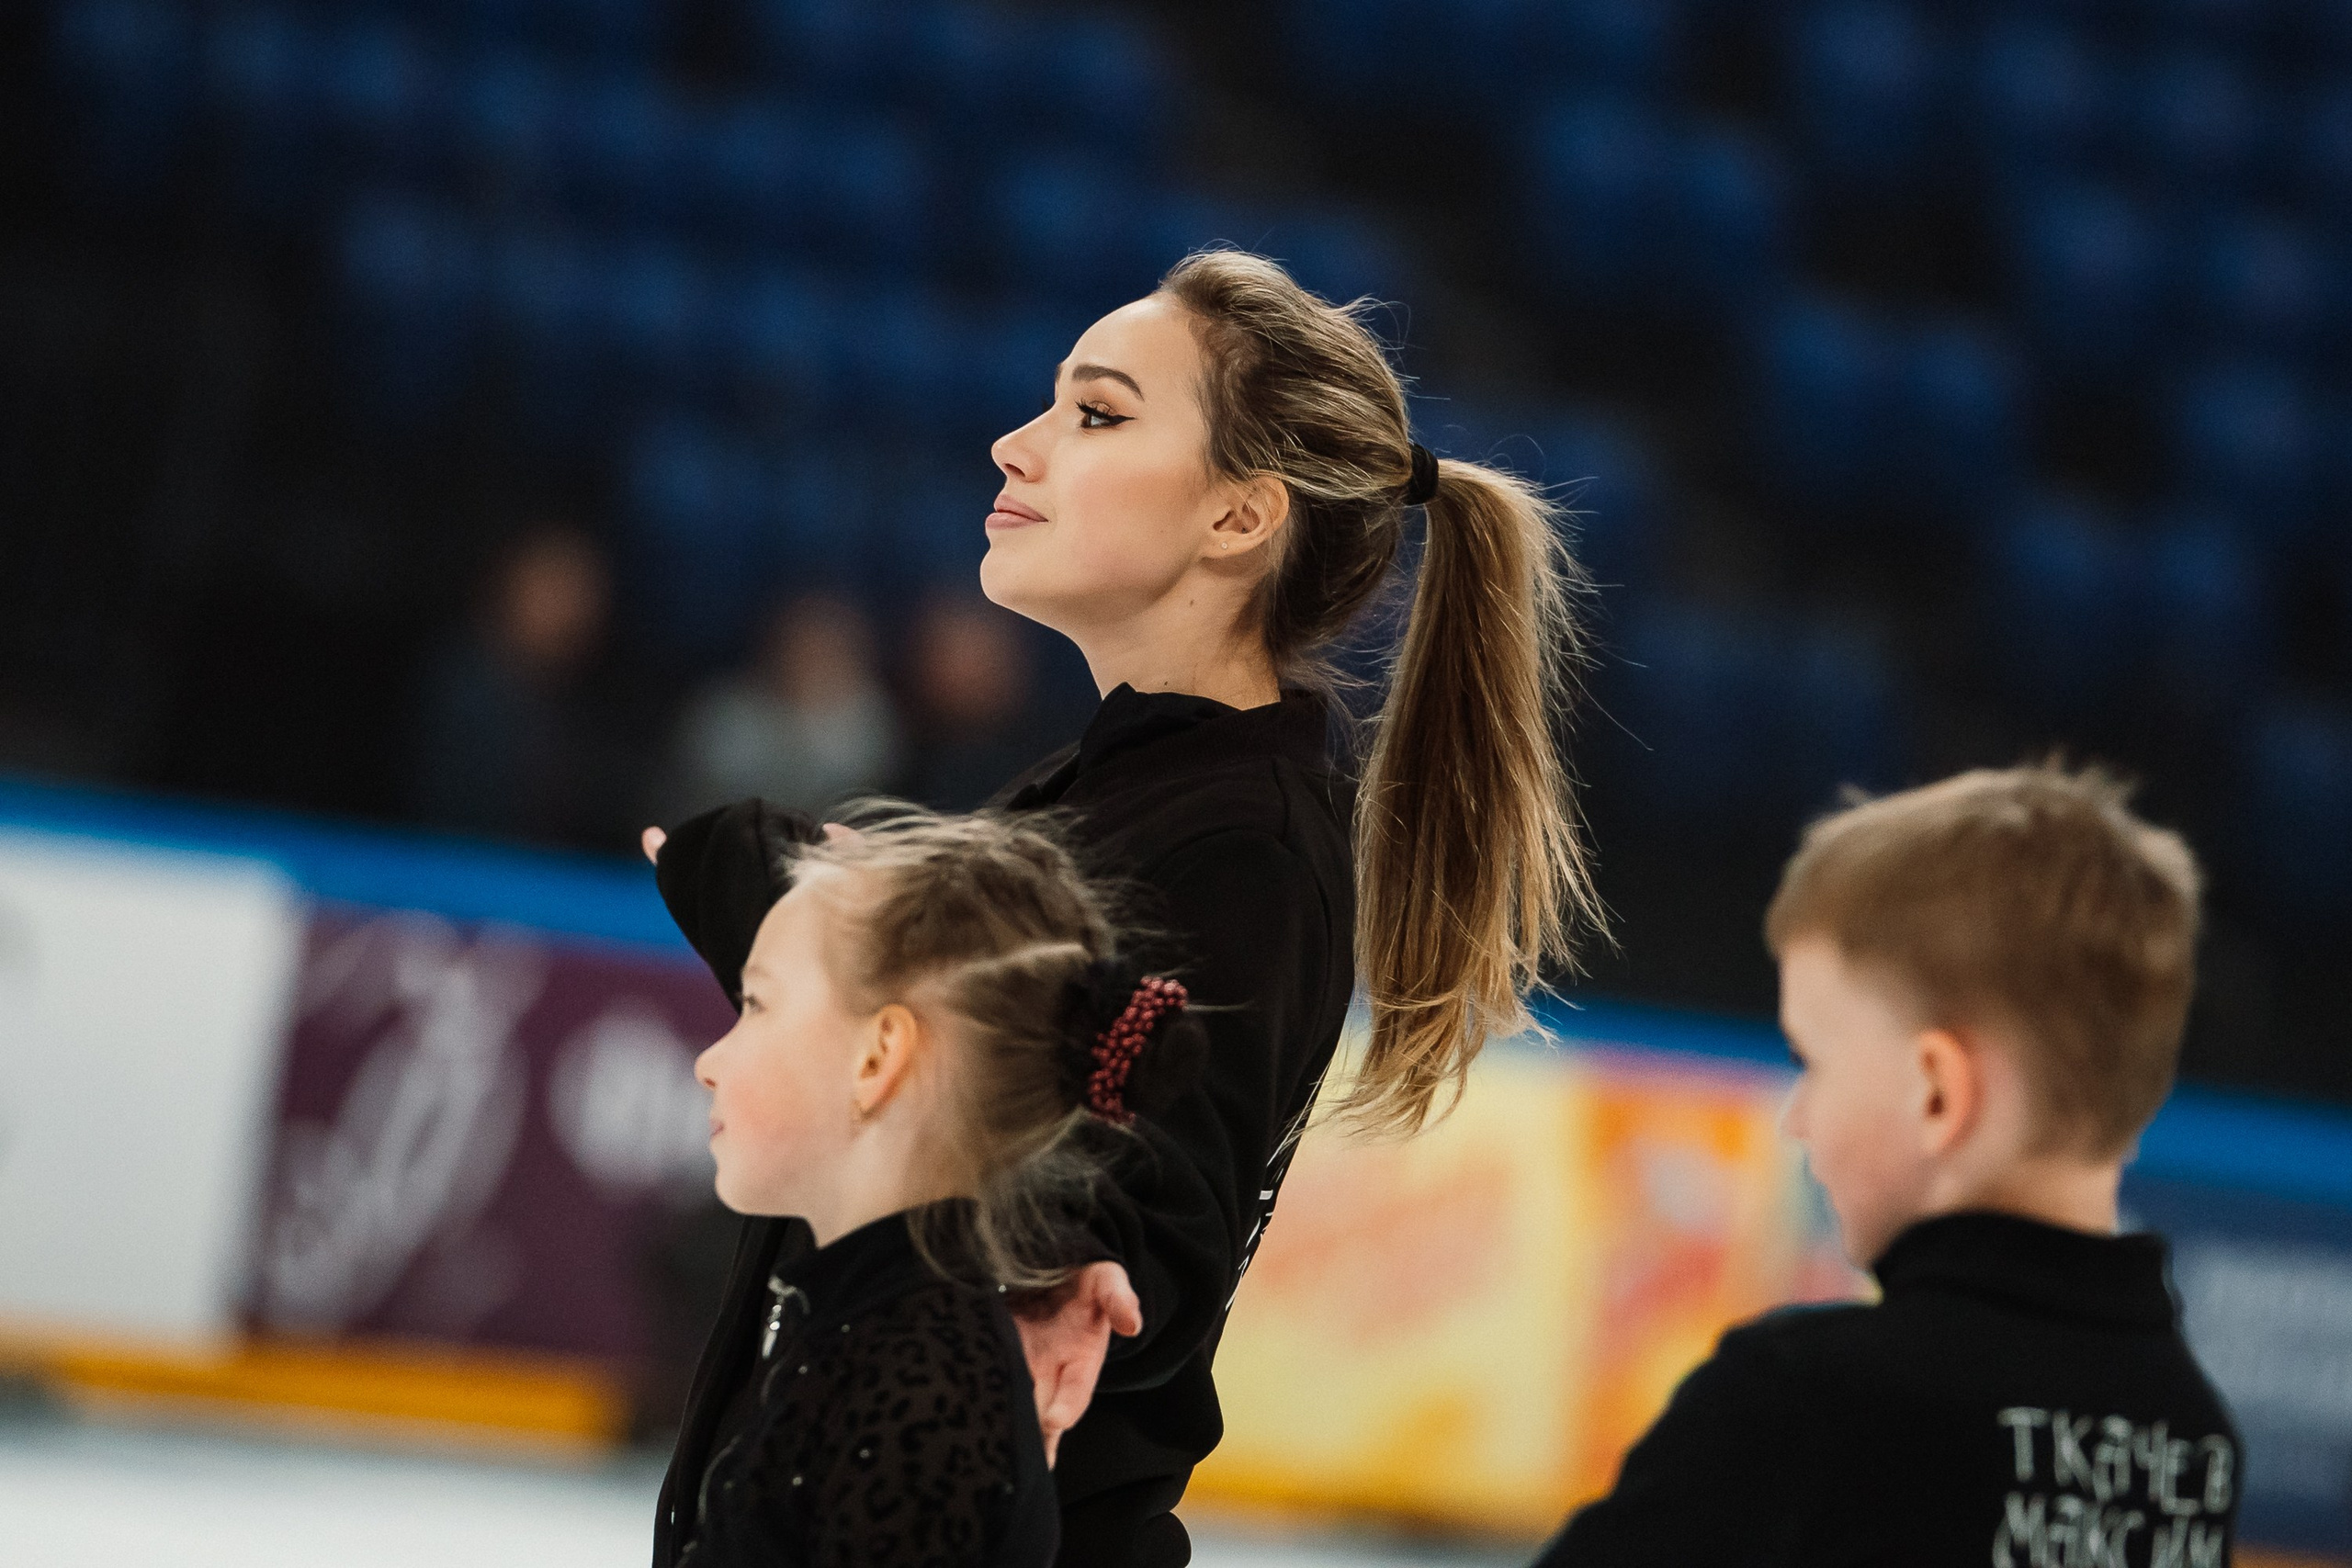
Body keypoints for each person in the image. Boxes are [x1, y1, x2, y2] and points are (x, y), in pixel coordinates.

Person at [652, 247, 1606, 1568]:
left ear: (1237, 518)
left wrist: (1065, 1270)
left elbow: (1131, 1219)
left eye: (1095, 413)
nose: (1015, 443)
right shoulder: (1109, 786)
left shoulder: (1238, 848)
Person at [1535, 763, 2242, 1568]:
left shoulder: (1796, 1396)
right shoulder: (2189, 1442)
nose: (1798, 1119)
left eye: (1814, 1061)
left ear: (1937, 1092)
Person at [648, 799, 1208, 1568]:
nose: (711, 1059)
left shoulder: (920, 1402)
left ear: (878, 1059)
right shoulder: (868, 1336)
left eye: (756, 1004)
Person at [412, 524, 637, 845]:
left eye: (587, 592)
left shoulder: (592, 703)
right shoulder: (464, 698)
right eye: (556, 587)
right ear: (510, 588)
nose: (575, 610)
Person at [660, 592, 903, 820]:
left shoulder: (870, 716)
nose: (811, 658)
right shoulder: (724, 713)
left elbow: (864, 803)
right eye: (802, 644)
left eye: (826, 648)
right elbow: (701, 800)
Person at [901, 593, 1048, 812]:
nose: (970, 668)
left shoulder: (1049, 755)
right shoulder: (902, 760)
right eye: (954, 652)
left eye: (985, 654)